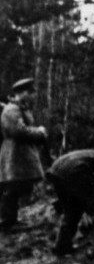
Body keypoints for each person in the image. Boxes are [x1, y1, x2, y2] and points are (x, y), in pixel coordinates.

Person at [0, 78, 48, 231]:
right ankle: (7, 222)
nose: (33, 95)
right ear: (20, 93)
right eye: (30, 92)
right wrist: (39, 132)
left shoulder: (21, 108)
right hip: (13, 154)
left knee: (20, 186)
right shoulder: (11, 110)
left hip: (20, 154)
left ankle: (11, 219)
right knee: (12, 187)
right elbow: (18, 131)